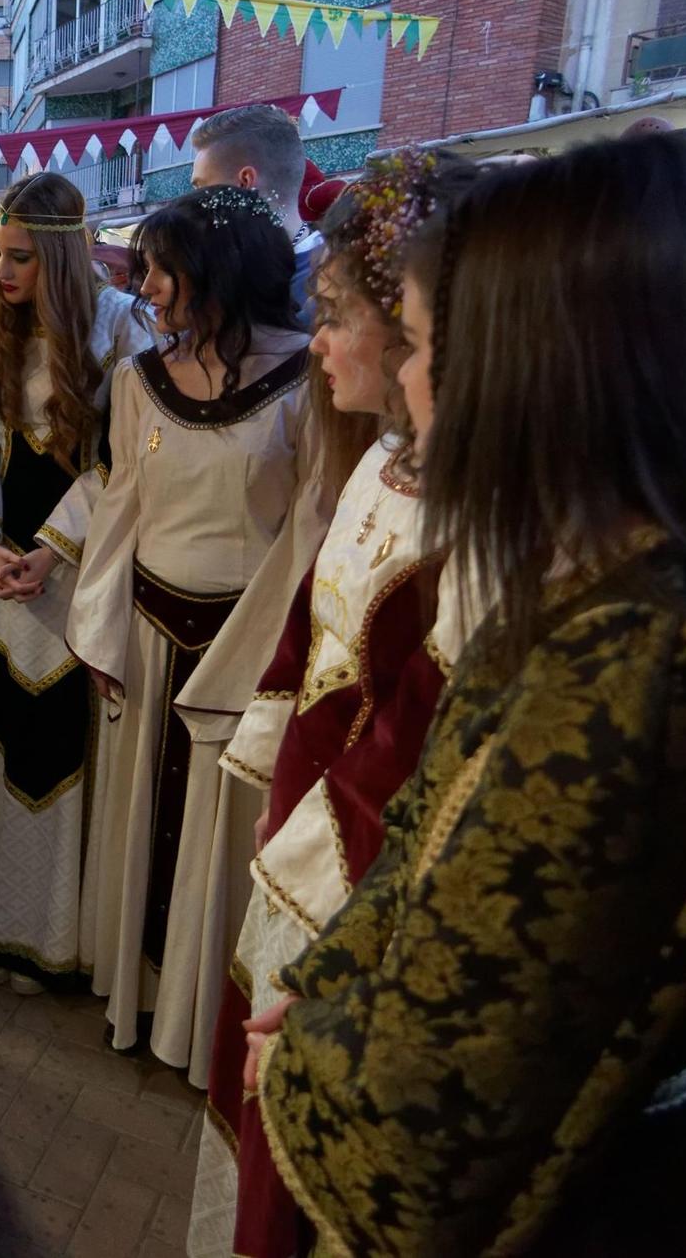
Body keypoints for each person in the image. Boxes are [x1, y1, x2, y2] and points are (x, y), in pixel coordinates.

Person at [250, 133, 686, 1256]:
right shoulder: (601, 580)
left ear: (525, 365)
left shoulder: (646, 657)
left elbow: (427, 1118)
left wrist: (303, 1056)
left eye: (418, 345)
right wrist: (321, 985)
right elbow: (429, 849)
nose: (408, 384)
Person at [187, 149, 478, 1258]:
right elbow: (314, 616)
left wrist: (313, 860)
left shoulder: (471, 519)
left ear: (418, 329)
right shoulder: (376, 466)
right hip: (305, 821)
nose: (316, 342)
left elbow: (420, 733)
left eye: (342, 315)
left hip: (358, 876)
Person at [68, 186, 315, 1078]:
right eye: (148, 270)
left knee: (219, 844)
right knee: (145, 827)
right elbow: (122, 504)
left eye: (166, 270)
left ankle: (201, 1021)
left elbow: (309, 531)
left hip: (243, 654)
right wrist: (98, 629)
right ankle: (138, 999)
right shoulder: (141, 380)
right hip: (147, 634)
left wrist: (268, 663)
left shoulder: (310, 380)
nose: (153, 289)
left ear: (223, 273)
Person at [0, 172, 152, 994]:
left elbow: (122, 460)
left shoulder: (126, 328)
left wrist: (54, 548)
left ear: (60, 255)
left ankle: (50, 935)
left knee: (55, 744)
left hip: (77, 569)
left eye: (18, 255)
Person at [189, 105, 314, 322]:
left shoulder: (331, 285)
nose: (195, 203)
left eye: (202, 188)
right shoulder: (228, 271)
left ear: (244, 182)